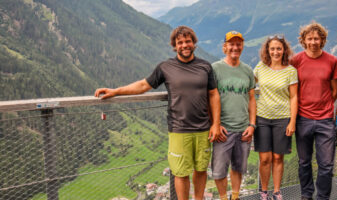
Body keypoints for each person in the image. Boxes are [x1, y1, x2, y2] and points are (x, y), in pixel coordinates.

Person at [94, 26, 221, 200]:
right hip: (179, 129)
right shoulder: (165, 67)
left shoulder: (205, 66)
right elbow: (143, 86)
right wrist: (116, 91)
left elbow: (213, 94)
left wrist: (216, 124)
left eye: (188, 41)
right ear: (174, 46)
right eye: (180, 42)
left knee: (201, 169)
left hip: (203, 129)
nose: (184, 45)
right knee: (181, 173)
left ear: (194, 43)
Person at [290, 22, 337, 200]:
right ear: (303, 40)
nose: (313, 42)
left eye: (316, 38)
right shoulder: (296, 61)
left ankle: (323, 197)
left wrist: (324, 105)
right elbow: (291, 88)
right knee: (304, 162)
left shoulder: (332, 61)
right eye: (309, 38)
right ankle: (306, 194)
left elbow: (335, 90)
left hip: (325, 119)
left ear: (322, 40)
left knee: (326, 164)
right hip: (302, 118)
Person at [210, 31, 256, 200]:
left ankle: (235, 197)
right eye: (231, 44)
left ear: (242, 46)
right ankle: (223, 198)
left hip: (243, 128)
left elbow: (251, 99)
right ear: (224, 47)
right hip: (223, 129)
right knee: (219, 170)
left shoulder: (247, 70)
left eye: (238, 44)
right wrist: (215, 124)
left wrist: (252, 125)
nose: (235, 47)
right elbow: (210, 97)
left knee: (238, 167)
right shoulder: (215, 69)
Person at [253, 34, 298, 200]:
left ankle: (277, 191)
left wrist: (292, 121)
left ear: (284, 50)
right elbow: (249, 83)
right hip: (262, 117)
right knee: (265, 158)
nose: (275, 52)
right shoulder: (260, 67)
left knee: (278, 157)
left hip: (283, 118)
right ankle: (264, 192)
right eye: (272, 48)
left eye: (278, 48)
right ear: (267, 50)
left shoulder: (291, 71)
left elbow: (294, 97)